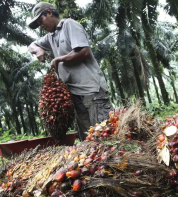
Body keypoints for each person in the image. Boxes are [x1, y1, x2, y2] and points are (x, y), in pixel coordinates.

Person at [27, 2, 113, 141]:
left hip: (92, 92)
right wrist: (38, 49)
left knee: (108, 136)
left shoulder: (69, 25)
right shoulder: (50, 37)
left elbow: (83, 51)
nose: (41, 26)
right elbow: (31, 45)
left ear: (49, 12)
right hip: (74, 96)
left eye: (40, 20)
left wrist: (58, 59)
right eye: (37, 24)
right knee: (89, 141)